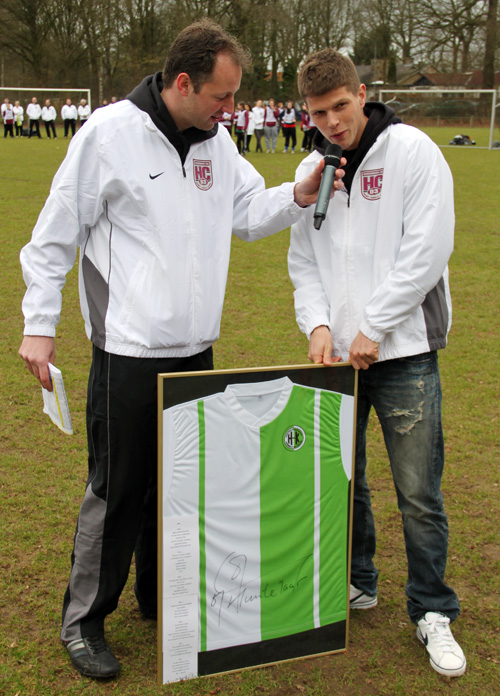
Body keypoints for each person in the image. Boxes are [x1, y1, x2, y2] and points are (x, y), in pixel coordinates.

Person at [19, 20, 344, 681]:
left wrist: (298, 195)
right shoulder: (108, 137)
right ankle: (84, 621)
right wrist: (38, 321)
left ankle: (156, 597)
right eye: (222, 98)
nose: (231, 112)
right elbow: (53, 234)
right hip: (128, 352)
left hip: (197, 351)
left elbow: (250, 211)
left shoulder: (216, 145)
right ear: (184, 82)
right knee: (118, 490)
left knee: (181, 489)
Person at [288, 47, 466, 679]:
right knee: (345, 477)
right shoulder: (316, 166)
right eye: (318, 113)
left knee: (417, 491)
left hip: (404, 352)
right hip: (340, 356)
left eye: (340, 106)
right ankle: (359, 581)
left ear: (361, 94)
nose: (332, 122)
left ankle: (432, 609)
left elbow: (428, 249)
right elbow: (303, 261)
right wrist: (318, 325)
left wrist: (374, 327)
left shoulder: (414, 151)